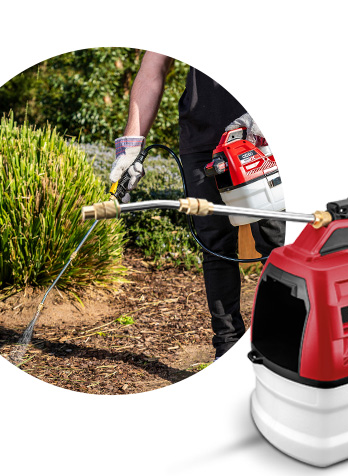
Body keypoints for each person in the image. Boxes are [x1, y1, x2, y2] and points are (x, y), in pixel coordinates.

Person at [110, 51, 285, 359]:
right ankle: (227, 349)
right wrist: (132, 142)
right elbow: (153, 67)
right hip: (201, 135)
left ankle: (283, 343)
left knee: (278, 245)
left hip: (257, 135)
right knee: (214, 246)